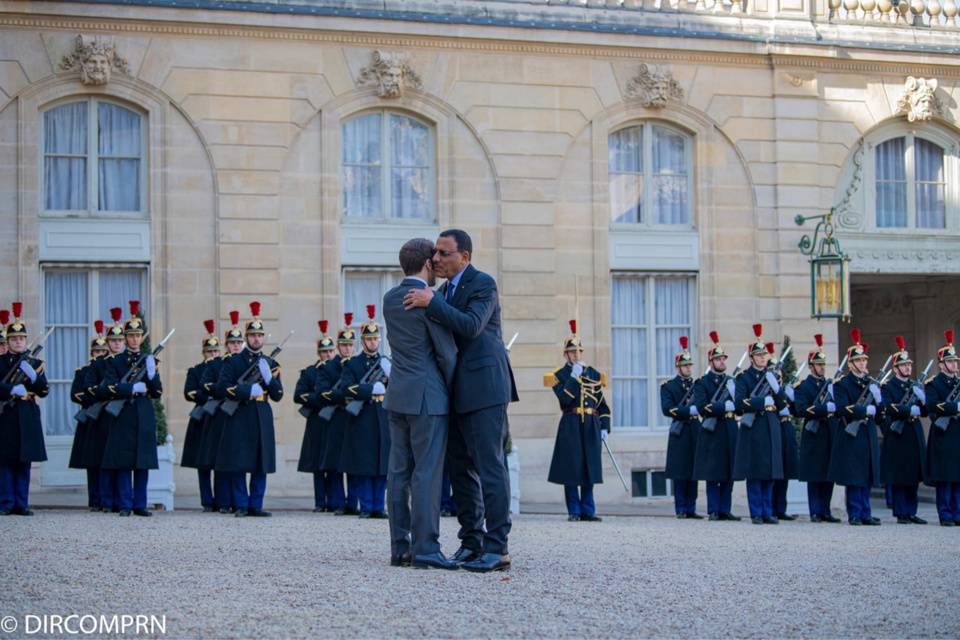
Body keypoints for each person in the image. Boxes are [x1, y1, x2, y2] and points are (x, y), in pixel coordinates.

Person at [403, 229, 519, 574]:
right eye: (435, 253)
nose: (435, 259)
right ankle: (472, 542)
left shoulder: (483, 284)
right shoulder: (439, 292)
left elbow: (471, 326)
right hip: (453, 393)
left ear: (464, 257)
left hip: (485, 390)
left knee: (490, 467)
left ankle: (497, 548)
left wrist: (432, 302)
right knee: (462, 471)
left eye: (443, 253)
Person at [382, 237, 459, 569]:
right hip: (429, 397)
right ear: (428, 264)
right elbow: (447, 352)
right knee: (427, 473)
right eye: (436, 259)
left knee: (399, 473)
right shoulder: (428, 300)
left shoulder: (389, 298)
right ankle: (426, 548)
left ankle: (401, 548)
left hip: (398, 393)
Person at [215, 302, 283, 518]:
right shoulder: (234, 361)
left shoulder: (270, 362)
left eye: (260, 336)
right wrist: (246, 391)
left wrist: (269, 378)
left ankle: (256, 504)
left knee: (260, 462)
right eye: (252, 336)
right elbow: (222, 388)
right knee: (239, 460)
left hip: (262, 413)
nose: (256, 339)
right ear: (246, 338)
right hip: (241, 414)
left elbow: (278, 395)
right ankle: (241, 504)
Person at [99, 301, 163, 517]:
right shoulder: (117, 362)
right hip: (125, 411)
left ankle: (139, 504)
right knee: (125, 461)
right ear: (125, 338)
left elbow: (157, 391)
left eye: (138, 336)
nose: (135, 339)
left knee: (142, 461)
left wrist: (152, 376)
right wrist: (130, 388)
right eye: (131, 336)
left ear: (142, 338)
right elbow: (108, 387)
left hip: (143, 411)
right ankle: (126, 503)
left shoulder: (148, 360)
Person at [545, 320, 610, 523]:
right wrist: (573, 378)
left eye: (578, 351)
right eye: (572, 352)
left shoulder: (593, 374)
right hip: (571, 423)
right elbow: (564, 399)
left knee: (589, 467)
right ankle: (574, 509)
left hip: (591, 424)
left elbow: (603, 405)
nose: (576, 355)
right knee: (572, 468)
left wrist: (605, 427)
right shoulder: (559, 375)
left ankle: (588, 509)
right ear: (565, 355)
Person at [340, 305, 391, 519]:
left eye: (375, 339)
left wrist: (390, 381)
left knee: (381, 463)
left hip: (382, 415)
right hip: (363, 417)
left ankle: (378, 506)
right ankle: (366, 506)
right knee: (364, 463)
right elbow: (346, 387)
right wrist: (371, 389)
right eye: (369, 339)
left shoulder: (386, 362)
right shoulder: (353, 363)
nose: (373, 342)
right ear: (362, 341)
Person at [828, 329, 882, 526]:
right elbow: (843, 408)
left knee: (867, 474)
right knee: (854, 475)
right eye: (858, 361)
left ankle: (866, 512)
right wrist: (864, 410)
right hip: (852, 433)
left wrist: (878, 399)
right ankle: (855, 513)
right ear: (850, 364)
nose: (862, 363)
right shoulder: (842, 384)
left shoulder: (871, 383)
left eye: (864, 360)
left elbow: (880, 410)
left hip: (867, 432)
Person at [734, 324, 786, 525]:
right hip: (754, 427)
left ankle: (768, 511)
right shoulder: (744, 378)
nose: (763, 358)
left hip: (770, 424)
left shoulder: (772, 376)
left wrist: (778, 390)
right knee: (755, 471)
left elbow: (781, 404)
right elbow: (739, 403)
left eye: (764, 355)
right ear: (751, 357)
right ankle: (756, 511)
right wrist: (761, 402)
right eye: (759, 355)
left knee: (770, 470)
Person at [0, 303, 49, 516]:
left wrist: (34, 376)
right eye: (14, 339)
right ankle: (6, 502)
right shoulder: (1, 362)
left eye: (21, 338)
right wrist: (11, 389)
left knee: (24, 460)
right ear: (8, 341)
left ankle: (22, 502)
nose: (18, 341)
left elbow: (44, 389)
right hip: (7, 414)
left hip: (27, 412)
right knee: (6, 460)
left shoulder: (35, 362)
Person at [691, 331, 741, 521]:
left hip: (729, 427)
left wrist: (734, 396)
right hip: (713, 430)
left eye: (723, 359)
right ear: (710, 363)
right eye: (718, 359)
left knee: (729, 471)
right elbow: (702, 407)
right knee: (713, 472)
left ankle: (725, 509)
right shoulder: (702, 383)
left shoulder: (731, 382)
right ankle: (713, 509)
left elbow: (740, 404)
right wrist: (722, 407)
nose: (722, 362)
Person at [198, 312, 244, 514]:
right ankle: (224, 501)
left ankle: (239, 500)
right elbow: (205, 386)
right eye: (232, 343)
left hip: (240, 414)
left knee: (239, 459)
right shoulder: (217, 364)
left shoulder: (246, 363)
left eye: (239, 342)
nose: (236, 346)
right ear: (226, 345)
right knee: (223, 460)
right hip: (220, 414)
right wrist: (225, 390)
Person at [81, 307, 125, 513]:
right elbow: (89, 388)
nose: (117, 343)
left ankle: (120, 499)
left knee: (119, 458)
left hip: (121, 414)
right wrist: (108, 391)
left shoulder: (127, 362)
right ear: (107, 343)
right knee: (104, 459)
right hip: (102, 415)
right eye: (113, 340)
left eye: (120, 340)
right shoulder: (98, 364)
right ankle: (106, 500)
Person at [880, 336, 928, 525]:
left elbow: (925, 411)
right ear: (895, 369)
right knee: (900, 474)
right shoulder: (889, 386)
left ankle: (912, 510)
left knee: (913, 474)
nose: (908, 368)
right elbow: (889, 407)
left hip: (913, 431)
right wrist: (909, 410)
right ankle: (901, 511)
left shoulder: (914, 386)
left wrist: (922, 400)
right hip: (898, 433)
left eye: (909, 365)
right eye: (904, 365)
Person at [795, 335, 841, 523]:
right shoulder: (803, 387)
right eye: (818, 364)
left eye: (823, 364)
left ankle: (825, 510)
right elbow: (801, 409)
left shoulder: (830, 385)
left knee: (828, 473)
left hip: (828, 432)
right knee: (815, 474)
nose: (822, 367)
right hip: (813, 433)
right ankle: (815, 510)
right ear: (811, 366)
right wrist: (823, 409)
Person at [318, 314, 358, 516]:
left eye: (351, 345)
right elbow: (322, 392)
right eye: (344, 345)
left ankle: (353, 503)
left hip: (354, 419)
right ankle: (337, 502)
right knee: (334, 465)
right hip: (335, 419)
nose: (348, 348)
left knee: (353, 463)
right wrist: (345, 395)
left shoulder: (359, 364)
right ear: (338, 347)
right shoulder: (329, 367)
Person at [295, 321, 337, 513]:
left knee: (334, 464)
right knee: (318, 464)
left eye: (330, 351)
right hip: (317, 420)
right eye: (324, 352)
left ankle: (336, 501)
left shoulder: (339, 369)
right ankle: (321, 501)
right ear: (318, 353)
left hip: (335, 419)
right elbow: (299, 395)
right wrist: (320, 398)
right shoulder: (310, 372)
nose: (328, 355)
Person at [181, 320, 221, 512]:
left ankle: (221, 499)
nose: (212, 355)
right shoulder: (196, 371)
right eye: (209, 352)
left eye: (215, 352)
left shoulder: (223, 368)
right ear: (203, 352)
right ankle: (207, 500)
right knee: (202, 463)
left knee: (219, 460)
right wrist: (208, 393)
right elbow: (189, 392)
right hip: (202, 416)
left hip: (218, 416)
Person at [69, 320, 108, 511]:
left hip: (106, 416)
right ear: (92, 353)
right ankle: (94, 500)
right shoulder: (83, 372)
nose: (99, 355)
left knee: (105, 460)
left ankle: (107, 499)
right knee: (92, 462)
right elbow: (76, 394)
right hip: (90, 417)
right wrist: (95, 396)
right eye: (96, 352)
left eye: (102, 352)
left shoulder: (110, 370)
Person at [662, 336, 701, 519]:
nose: (688, 368)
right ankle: (681, 507)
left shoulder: (696, 385)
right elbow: (667, 409)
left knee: (694, 468)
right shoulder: (669, 386)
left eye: (690, 365)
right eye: (685, 366)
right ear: (678, 368)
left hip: (694, 427)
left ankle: (691, 506)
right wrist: (686, 411)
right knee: (680, 470)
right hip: (680, 430)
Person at [924, 331, 960, 526]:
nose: (954, 364)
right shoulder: (934, 384)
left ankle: (957, 512)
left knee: (958, 477)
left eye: (955, 361)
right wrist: (955, 407)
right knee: (946, 477)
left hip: (957, 433)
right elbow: (932, 405)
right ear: (942, 364)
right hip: (944, 435)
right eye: (950, 361)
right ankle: (945, 514)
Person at [767, 343, 799, 522]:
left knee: (786, 470)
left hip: (786, 427)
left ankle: (781, 507)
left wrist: (792, 398)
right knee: (774, 469)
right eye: (773, 371)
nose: (777, 374)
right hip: (775, 425)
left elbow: (796, 410)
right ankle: (771, 506)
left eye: (778, 371)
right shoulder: (769, 388)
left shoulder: (783, 387)